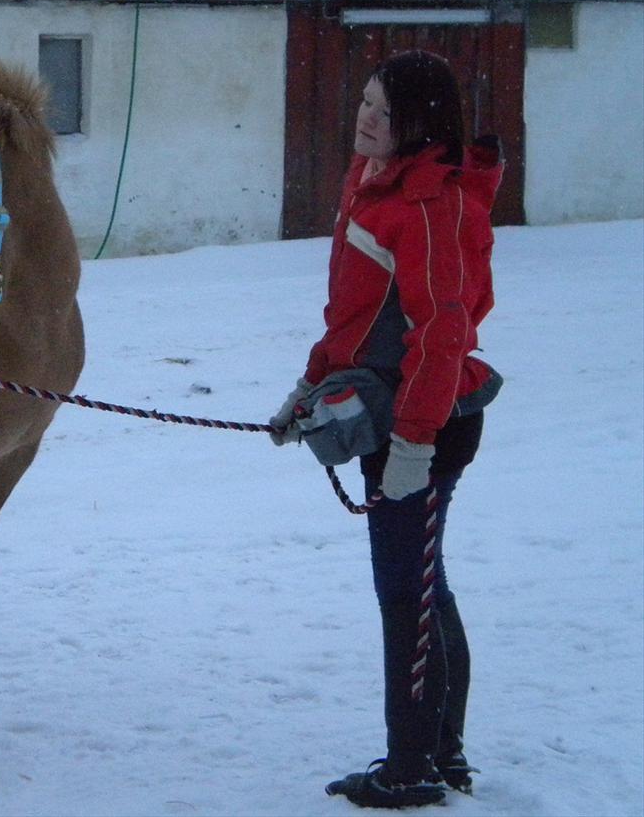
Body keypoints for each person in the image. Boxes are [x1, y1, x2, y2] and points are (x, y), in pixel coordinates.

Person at [268, 50, 504, 809]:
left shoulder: (431, 206)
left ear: (418, 127)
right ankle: (441, 752)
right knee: (421, 588)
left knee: (407, 595)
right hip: (385, 413)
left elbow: (440, 334)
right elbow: (354, 316)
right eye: (365, 102)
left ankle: (413, 769)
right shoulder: (375, 184)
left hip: (424, 424)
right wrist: (309, 388)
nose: (365, 119)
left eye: (384, 113)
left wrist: (413, 445)